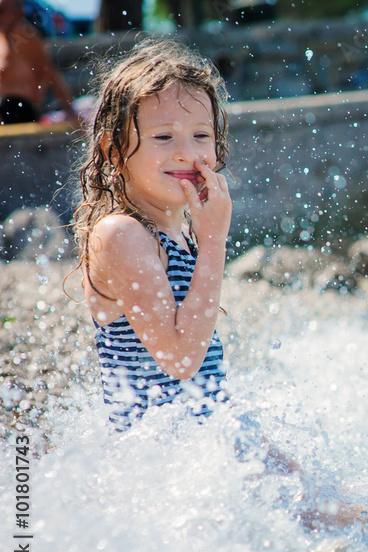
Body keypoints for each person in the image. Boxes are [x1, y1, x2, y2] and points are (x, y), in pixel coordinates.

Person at [71, 38, 231, 431]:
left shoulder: (177, 236)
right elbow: (179, 361)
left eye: (201, 135)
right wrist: (214, 242)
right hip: (163, 462)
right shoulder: (121, 233)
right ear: (113, 150)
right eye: (163, 137)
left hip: (203, 448)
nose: (186, 152)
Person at [0, 0, 80, 125]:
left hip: (21, 109)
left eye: (2, 12)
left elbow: (50, 73)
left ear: (17, 13)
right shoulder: (3, 39)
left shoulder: (27, 37)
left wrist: (70, 111)